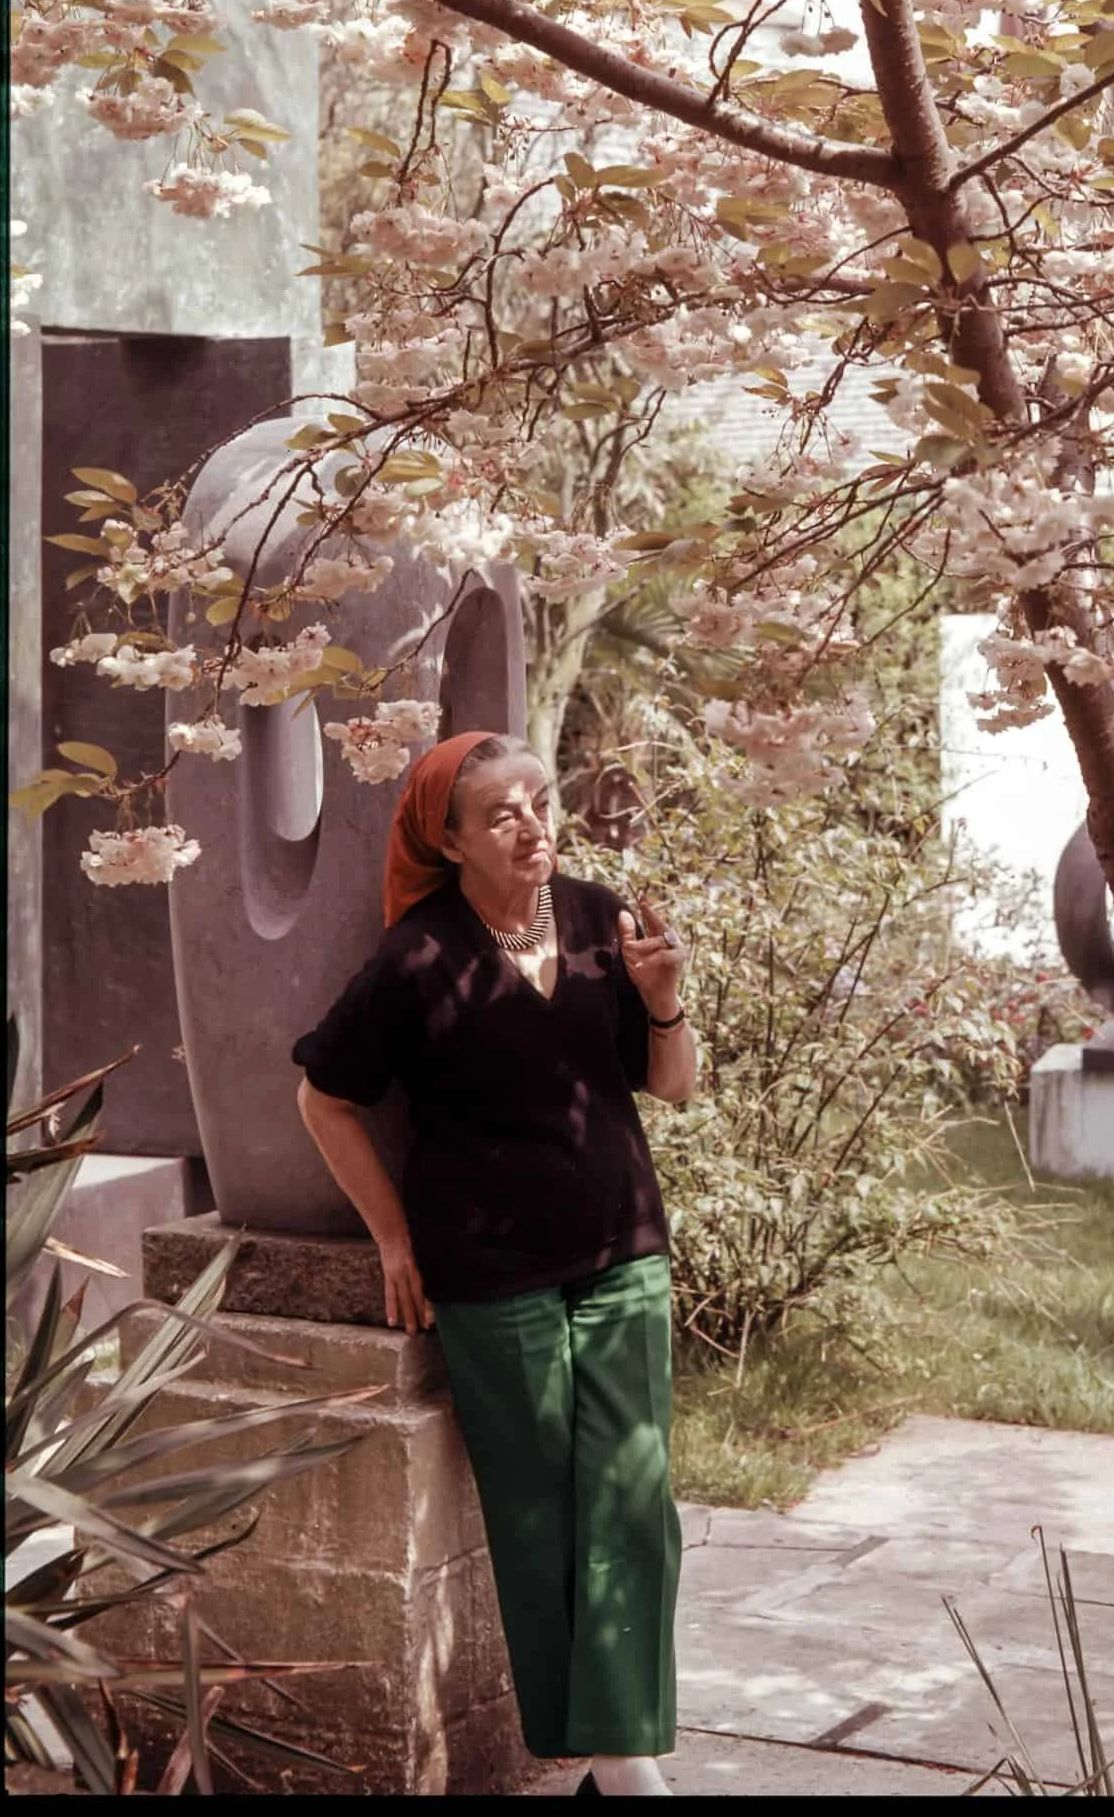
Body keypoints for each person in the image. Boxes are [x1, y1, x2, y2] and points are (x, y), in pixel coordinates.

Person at [293, 730, 695, 1799]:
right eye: (502, 812)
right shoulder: (415, 957)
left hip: (621, 1245)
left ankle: (623, 1759)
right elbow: (324, 1096)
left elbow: (675, 1086)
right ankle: (613, 1759)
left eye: (541, 800)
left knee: (634, 1499)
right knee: (538, 1505)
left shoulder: (602, 915)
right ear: (452, 837)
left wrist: (663, 997)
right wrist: (389, 1234)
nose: (532, 823)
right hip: (490, 1270)